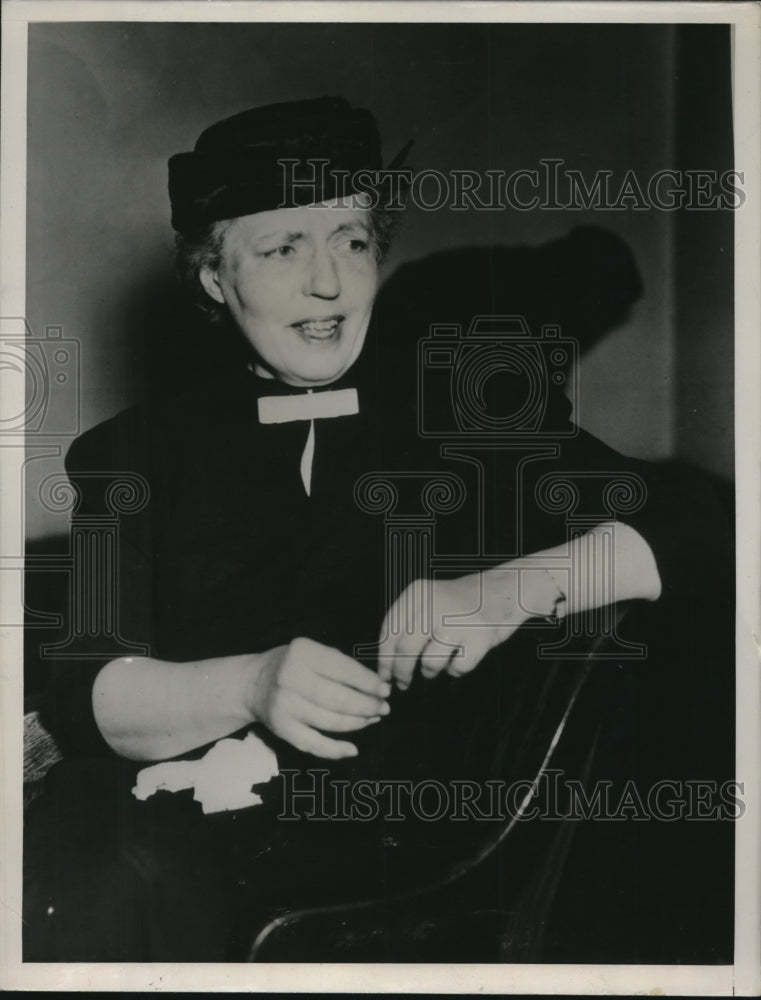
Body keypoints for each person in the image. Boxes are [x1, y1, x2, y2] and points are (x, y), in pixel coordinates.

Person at [25, 96, 726, 962]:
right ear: (213, 276)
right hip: (149, 834)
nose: (329, 283)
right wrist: (250, 685)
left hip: (377, 859)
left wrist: (505, 590)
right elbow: (85, 692)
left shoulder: (466, 409)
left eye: (351, 242)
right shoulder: (129, 452)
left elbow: (699, 524)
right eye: (283, 248)